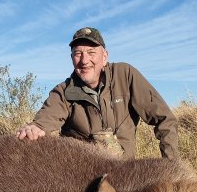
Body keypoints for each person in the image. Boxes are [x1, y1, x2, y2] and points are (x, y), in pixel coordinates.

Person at [16, 27, 178, 159]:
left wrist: (171, 166)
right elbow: (45, 120)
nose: (84, 60)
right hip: (81, 175)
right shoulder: (63, 91)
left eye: (91, 52)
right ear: (72, 58)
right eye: (78, 53)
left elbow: (165, 119)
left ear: (104, 57)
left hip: (124, 174)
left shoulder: (125, 74)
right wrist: (34, 128)